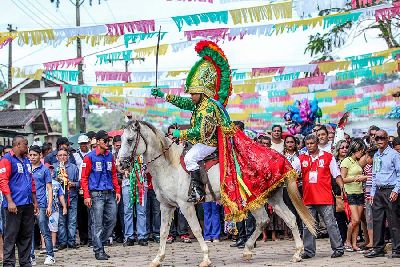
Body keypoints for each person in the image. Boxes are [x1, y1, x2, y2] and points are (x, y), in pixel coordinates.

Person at [299, 134, 345, 259]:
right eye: (307, 144)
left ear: (317, 143)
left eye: (312, 143)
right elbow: (292, 172)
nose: (309, 146)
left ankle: (338, 249)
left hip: (325, 198)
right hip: (308, 198)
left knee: (330, 224)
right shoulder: (301, 158)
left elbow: (336, 174)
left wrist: (342, 187)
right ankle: (308, 252)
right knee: (308, 226)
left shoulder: (328, 157)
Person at [81, 130, 121, 260]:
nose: (108, 143)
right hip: (96, 194)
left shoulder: (110, 156)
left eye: (108, 141)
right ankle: (98, 250)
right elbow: (84, 178)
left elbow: (114, 174)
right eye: (105, 140)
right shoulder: (89, 157)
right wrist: (86, 195)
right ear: (97, 142)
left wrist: (118, 190)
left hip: (110, 193)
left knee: (112, 220)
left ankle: (99, 243)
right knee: (97, 223)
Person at [0, 135, 39, 267]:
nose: (27, 147)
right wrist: (10, 201)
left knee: (26, 236)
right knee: (11, 236)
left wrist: (35, 201)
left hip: (27, 204)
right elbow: (3, 181)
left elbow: (31, 181)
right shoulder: (7, 160)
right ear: (17, 145)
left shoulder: (26, 161)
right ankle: (9, 264)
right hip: (14, 205)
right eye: (25, 144)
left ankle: (25, 262)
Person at [365, 130, 400, 258]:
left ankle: (397, 249)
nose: (379, 140)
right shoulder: (376, 156)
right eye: (377, 138)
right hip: (378, 191)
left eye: (382, 138)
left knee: (393, 221)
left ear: (387, 139)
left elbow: (399, 173)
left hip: (390, 190)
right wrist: (373, 193)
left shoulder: (394, 155)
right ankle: (378, 248)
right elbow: (374, 175)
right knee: (377, 221)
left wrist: (396, 190)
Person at [28, 145, 55, 265]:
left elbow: (49, 188)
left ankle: (50, 254)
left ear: (40, 156)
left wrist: (49, 205)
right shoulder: (26, 168)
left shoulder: (44, 170)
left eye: (35, 155)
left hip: (42, 204)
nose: (32, 157)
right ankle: (30, 256)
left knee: (44, 230)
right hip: (27, 203)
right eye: (31, 155)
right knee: (28, 232)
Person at [340, 138, 368, 252]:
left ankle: (354, 244)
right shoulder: (346, 161)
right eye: (361, 150)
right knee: (355, 220)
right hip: (350, 193)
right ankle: (347, 241)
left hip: (359, 192)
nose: (362, 153)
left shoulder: (357, 161)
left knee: (357, 222)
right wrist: (356, 178)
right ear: (356, 149)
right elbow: (342, 179)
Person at [53, 148, 80, 250]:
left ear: (68, 156)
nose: (63, 157)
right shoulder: (54, 167)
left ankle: (71, 241)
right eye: (60, 155)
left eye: (65, 155)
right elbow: (49, 182)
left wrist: (73, 184)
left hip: (71, 196)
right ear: (57, 157)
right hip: (58, 199)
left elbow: (79, 182)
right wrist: (57, 180)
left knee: (72, 220)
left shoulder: (73, 167)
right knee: (60, 220)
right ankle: (62, 241)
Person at [73, 134, 91, 246]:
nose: (83, 145)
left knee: (90, 212)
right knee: (81, 213)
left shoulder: (91, 154)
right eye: (81, 144)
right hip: (79, 185)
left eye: (85, 143)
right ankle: (83, 236)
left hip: (89, 184)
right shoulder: (75, 155)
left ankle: (90, 236)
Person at [332, 140, 349, 245]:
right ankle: (343, 238)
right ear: (338, 149)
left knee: (351, 217)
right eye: (342, 147)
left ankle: (352, 238)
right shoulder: (334, 161)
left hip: (350, 190)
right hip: (336, 192)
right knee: (339, 217)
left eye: (347, 147)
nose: (344, 149)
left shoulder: (351, 160)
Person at [362, 147, 377, 251]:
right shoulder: (367, 167)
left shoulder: (378, 167)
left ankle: (376, 241)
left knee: (377, 220)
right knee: (369, 220)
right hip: (368, 198)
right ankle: (371, 241)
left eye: (367, 156)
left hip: (377, 196)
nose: (366, 158)